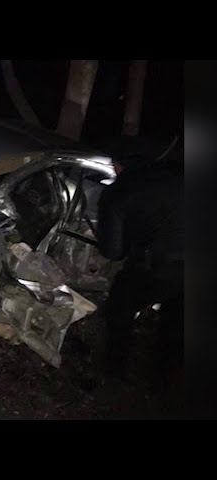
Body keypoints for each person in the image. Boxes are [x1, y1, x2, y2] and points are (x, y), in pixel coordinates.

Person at [97, 135, 183, 383]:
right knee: (176, 324)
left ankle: (115, 370)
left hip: (157, 268)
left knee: (119, 309)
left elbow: (113, 252)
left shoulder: (118, 192)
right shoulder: (179, 175)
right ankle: (161, 380)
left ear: (118, 165)